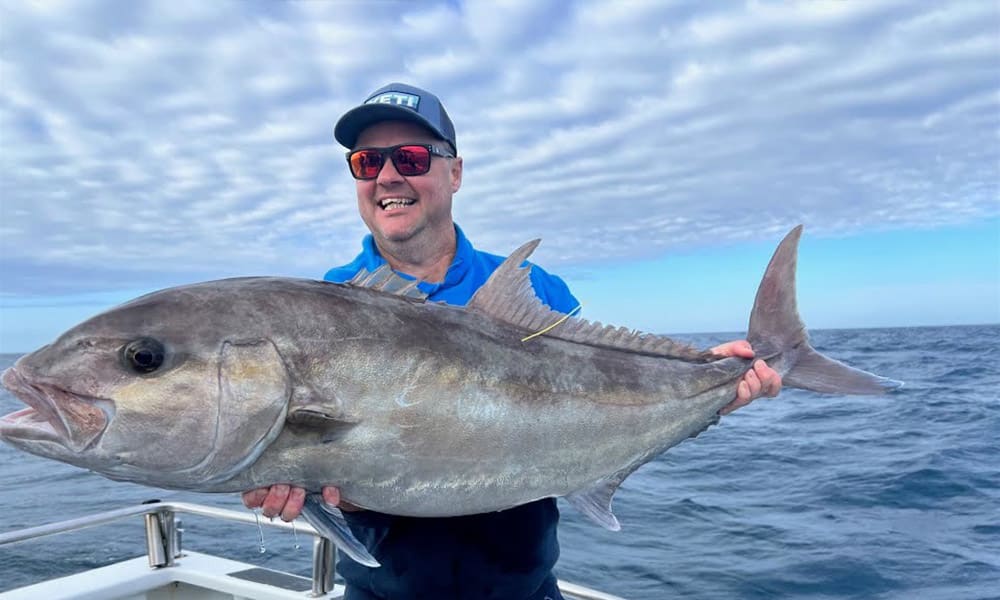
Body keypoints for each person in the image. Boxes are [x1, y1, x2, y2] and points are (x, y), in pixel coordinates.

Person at [242, 82, 782, 599]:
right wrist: (316, 491)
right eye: (367, 162)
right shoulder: (329, 304)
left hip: (523, 589)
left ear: (455, 173)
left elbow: (606, 402)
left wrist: (712, 381)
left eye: (410, 158)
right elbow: (355, 467)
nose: (387, 176)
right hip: (384, 592)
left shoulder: (532, 288)